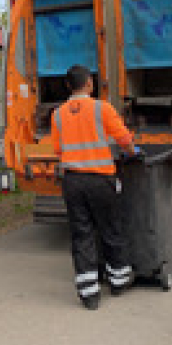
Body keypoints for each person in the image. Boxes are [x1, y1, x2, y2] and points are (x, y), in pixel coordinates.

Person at [51, 64, 138, 310]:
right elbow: (123, 139)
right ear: (89, 83)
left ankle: (89, 294)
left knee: (82, 233)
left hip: (72, 181)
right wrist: (132, 151)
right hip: (101, 179)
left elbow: (58, 150)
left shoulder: (57, 114)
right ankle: (119, 281)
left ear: (68, 86)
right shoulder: (102, 109)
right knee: (111, 228)